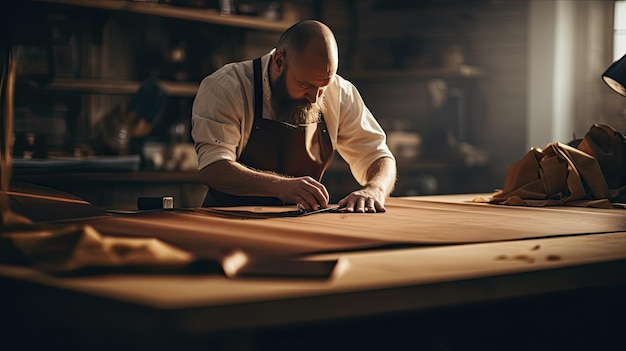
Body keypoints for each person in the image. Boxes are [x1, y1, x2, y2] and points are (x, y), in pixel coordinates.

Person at [191, 20, 396, 213]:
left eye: (323, 87)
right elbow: (214, 167)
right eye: (305, 85)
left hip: (299, 223)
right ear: (279, 61)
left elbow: (377, 155)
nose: (315, 99)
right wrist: (279, 186)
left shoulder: (340, 92)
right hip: (227, 223)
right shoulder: (227, 86)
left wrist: (374, 189)